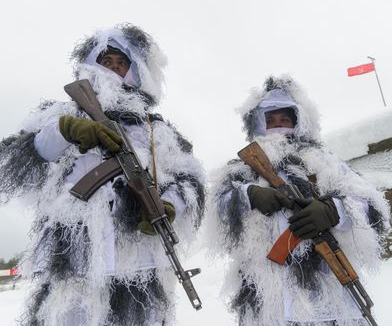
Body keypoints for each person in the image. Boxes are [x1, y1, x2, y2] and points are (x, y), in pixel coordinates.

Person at [0, 23, 205, 325]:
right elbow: (19, 161)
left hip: (137, 268)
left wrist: (170, 204)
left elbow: (190, 179)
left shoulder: (155, 129)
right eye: (105, 61)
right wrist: (64, 130)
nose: (112, 69)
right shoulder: (61, 115)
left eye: (121, 63)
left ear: (135, 73)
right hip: (73, 264)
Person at [207, 75, 389, 326]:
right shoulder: (242, 169)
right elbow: (217, 211)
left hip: (327, 297)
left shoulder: (322, 159)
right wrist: (249, 195)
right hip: (267, 301)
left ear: (298, 121)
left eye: (284, 119)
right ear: (257, 123)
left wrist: (333, 210)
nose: (277, 126)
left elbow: (371, 204)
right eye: (269, 120)